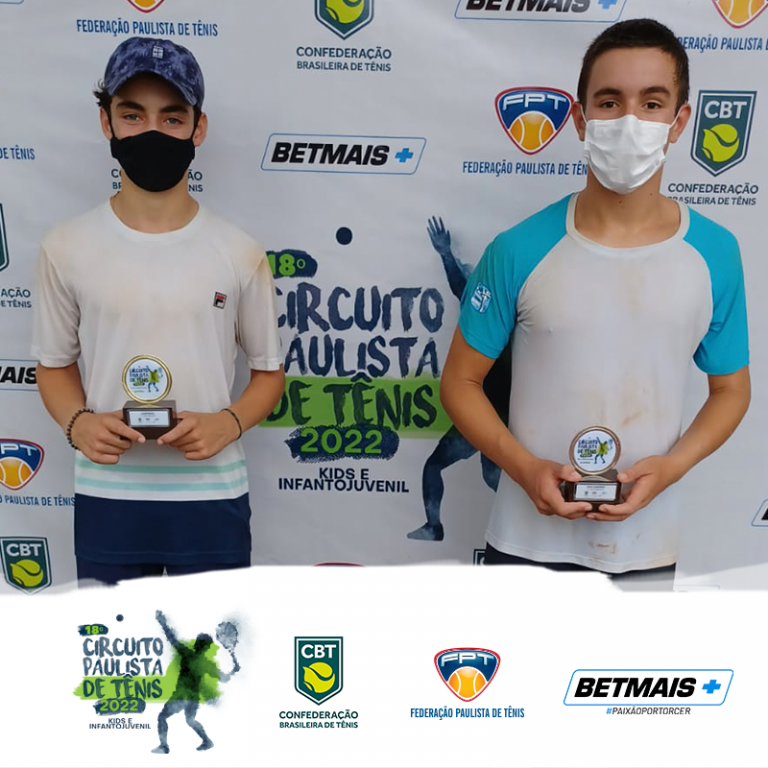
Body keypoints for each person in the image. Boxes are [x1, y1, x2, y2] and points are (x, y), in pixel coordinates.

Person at [440, 19, 750, 572]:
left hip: (646, 547)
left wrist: (672, 467)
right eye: (610, 102)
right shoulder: (517, 249)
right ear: (581, 119)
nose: (630, 121)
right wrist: (525, 469)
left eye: (651, 103)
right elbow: (460, 383)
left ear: (679, 121)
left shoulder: (715, 253)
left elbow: (731, 390)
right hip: (524, 543)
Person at [31, 37, 284, 585]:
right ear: (106, 122)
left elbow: (269, 374)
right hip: (108, 498)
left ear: (199, 128)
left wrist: (228, 423)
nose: (152, 131)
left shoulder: (239, 251)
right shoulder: (65, 247)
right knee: (115, 646)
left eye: (172, 117)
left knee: (212, 646)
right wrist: (78, 423)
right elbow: (53, 365)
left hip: (212, 496)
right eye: (132, 115)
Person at [408, 217, 510, 542]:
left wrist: (445, 254)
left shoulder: (498, 312)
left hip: (488, 414)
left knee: (486, 476)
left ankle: (434, 526)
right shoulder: (510, 312)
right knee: (491, 477)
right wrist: (446, 254)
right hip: (492, 414)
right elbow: (463, 290)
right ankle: (434, 527)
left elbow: (461, 289)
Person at [152, 610, 240, 754]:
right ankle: (207, 741)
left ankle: (164, 746)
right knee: (190, 720)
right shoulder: (207, 664)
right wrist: (233, 671)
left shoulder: (187, 653)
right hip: (193, 698)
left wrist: (163, 623)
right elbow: (224, 678)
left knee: (162, 717)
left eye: (198, 642)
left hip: (181, 695)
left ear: (198, 644)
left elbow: (172, 639)